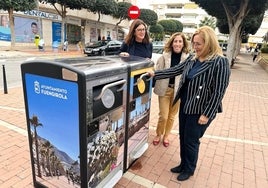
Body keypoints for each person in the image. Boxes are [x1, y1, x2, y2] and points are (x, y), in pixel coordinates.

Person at [147, 26, 231, 181]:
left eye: (199, 44)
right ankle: (183, 164)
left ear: (208, 43)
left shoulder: (220, 62)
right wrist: (155, 73)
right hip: (186, 104)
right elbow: (175, 70)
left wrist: (207, 114)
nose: (195, 47)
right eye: (194, 43)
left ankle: (189, 169)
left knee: (191, 141)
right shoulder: (193, 58)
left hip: (200, 110)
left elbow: (219, 91)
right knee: (183, 137)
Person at [152, 32, 189, 147]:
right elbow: (158, 70)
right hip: (165, 89)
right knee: (163, 115)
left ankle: (166, 135)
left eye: (180, 41)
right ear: (172, 43)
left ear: (183, 44)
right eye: (175, 41)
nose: (177, 44)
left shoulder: (187, 58)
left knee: (172, 116)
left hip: (178, 91)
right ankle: (159, 134)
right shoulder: (164, 56)